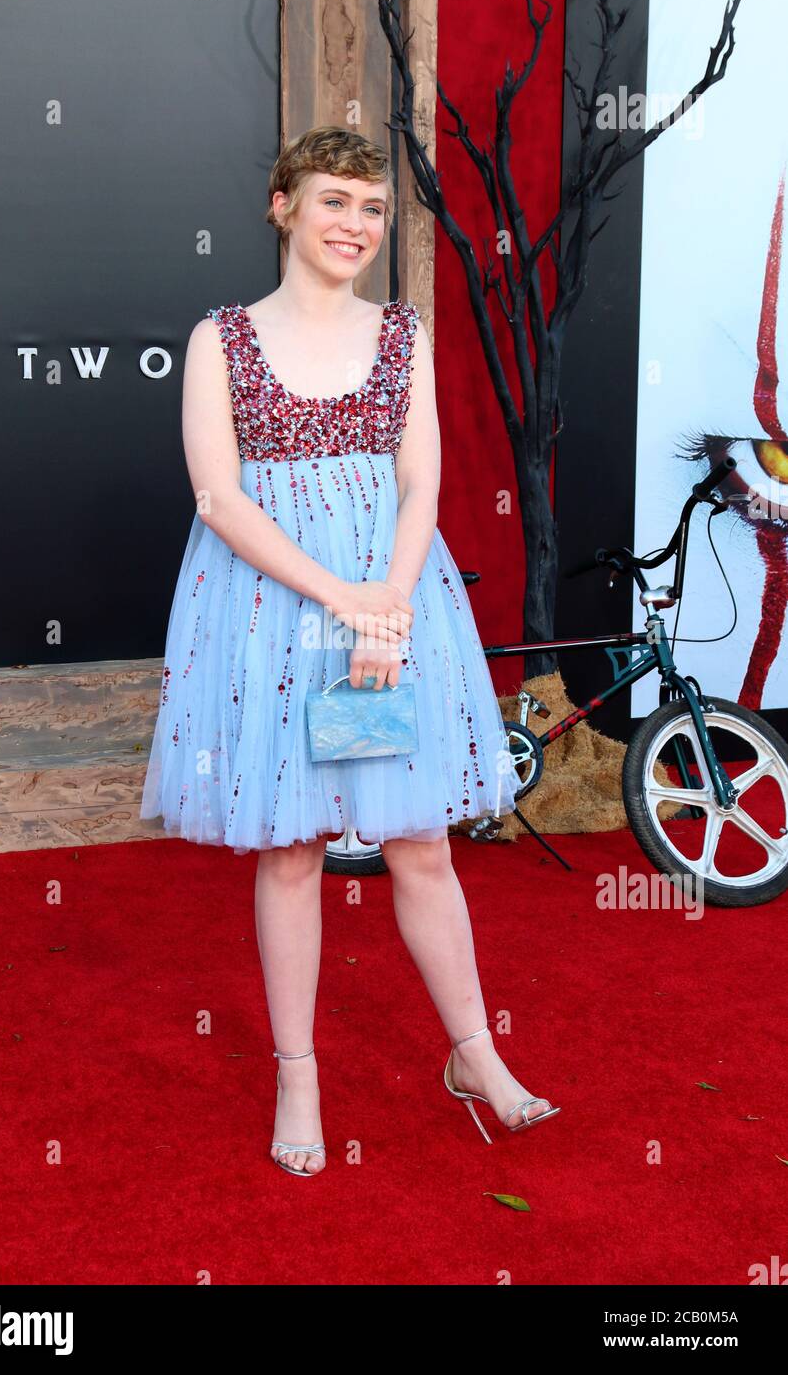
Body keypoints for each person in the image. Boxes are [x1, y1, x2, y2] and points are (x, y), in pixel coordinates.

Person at [140, 125, 560, 1176]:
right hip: (274, 610)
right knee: (292, 849)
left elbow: (421, 481)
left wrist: (386, 606)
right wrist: (343, 602)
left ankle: (475, 1055)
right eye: (333, 202)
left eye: (372, 210)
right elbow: (219, 497)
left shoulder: (402, 335)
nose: (355, 226)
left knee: (419, 840)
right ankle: (298, 1073)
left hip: (391, 601)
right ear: (282, 207)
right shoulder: (220, 338)